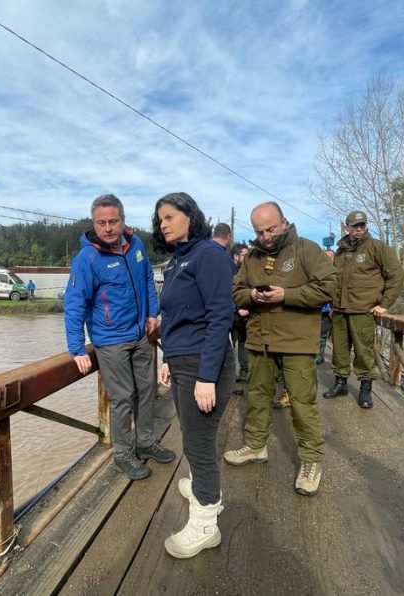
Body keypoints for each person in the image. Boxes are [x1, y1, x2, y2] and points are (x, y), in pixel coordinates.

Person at [223, 202, 336, 497]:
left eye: (270, 228)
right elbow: (236, 291)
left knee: (302, 402)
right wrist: (253, 296)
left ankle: (311, 461)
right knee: (257, 395)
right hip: (260, 340)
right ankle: (256, 445)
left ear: (284, 221)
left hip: (297, 341)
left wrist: (286, 294)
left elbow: (328, 288)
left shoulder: (306, 250)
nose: (265, 236)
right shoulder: (253, 257)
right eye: (259, 231)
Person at [63, 194, 174, 480]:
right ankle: (123, 455)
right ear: (94, 224)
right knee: (123, 398)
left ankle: (146, 442)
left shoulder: (135, 245)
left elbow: (147, 278)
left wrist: (152, 313)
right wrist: (77, 348)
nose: (108, 228)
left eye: (113, 221)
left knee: (147, 389)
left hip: (141, 334)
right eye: (101, 223)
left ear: (123, 221)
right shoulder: (86, 259)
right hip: (110, 339)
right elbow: (74, 303)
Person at [152, 192, 236, 559]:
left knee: (199, 444)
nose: (162, 224)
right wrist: (168, 357)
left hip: (205, 364)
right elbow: (174, 318)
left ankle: (205, 523)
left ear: (190, 215)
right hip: (182, 361)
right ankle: (205, 488)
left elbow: (220, 316)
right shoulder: (176, 261)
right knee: (192, 434)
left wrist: (206, 376)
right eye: (159, 220)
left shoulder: (210, 255)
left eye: (169, 216)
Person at [323, 211, 404, 408]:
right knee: (340, 351)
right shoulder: (341, 251)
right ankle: (340, 384)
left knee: (363, 352)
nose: (359, 228)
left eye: (362, 225)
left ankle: (365, 391)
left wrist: (384, 304)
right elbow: (335, 280)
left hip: (363, 310)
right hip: (341, 311)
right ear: (347, 227)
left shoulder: (376, 247)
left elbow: (397, 274)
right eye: (355, 225)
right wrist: (334, 305)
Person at [229, 243, 250, 389]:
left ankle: (244, 372)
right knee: (229, 345)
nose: (248, 258)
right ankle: (229, 377)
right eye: (245, 255)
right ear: (236, 256)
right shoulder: (227, 269)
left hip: (245, 315)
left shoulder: (247, 270)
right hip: (231, 314)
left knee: (244, 343)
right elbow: (225, 292)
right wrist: (237, 308)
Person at [315, 249, 336, 364]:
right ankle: (316, 355)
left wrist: (333, 307)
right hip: (316, 308)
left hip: (329, 309)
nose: (328, 259)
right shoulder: (316, 270)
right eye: (325, 257)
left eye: (330, 257)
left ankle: (320, 355)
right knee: (314, 333)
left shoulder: (337, 272)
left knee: (323, 334)